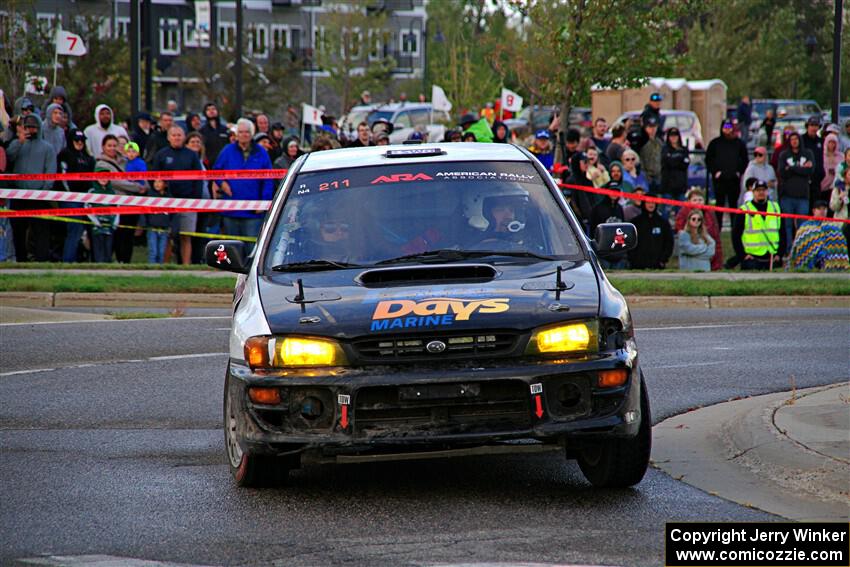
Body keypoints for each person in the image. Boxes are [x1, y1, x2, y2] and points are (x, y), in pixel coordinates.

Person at [212, 118, 274, 240]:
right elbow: (216, 171)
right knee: (232, 247)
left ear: (252, 134)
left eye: (246, 132)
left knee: (251, 246)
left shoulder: (261, 152)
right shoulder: (227, 150)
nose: (243, 135)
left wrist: (263, 202)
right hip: (231, 208)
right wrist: (222, 183)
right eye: (240, 132)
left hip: (253, 211)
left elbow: (268, 179)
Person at [6, 114, 57, 261]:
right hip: (19, 195)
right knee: (18, 230)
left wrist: (43, 192)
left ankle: (41, 261)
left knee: (41, 231)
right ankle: (21, 260)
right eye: (27, 127)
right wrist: (18, 142)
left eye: (33, 127)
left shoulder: (48, 148)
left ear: (39, 128)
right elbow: (8, 159)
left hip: (38, 197)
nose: (30, 130)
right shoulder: (18, 144)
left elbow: (50, 172)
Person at [151, 126, 203, 265]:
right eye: (173, 135)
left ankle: (186, 266)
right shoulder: (161, 154)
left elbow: (199, 179)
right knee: (168, 236)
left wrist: (195, 200)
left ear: (184, 136)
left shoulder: (192, 155)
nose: (177, 137)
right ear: (168, 137)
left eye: (179, 135)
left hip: (188, 202)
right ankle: (165, 265)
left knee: (186, 236)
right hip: (167, 203)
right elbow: (154, 178)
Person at [96, 135, 147, 263]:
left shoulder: (126, 161)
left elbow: (141, 177)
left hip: (132, 204)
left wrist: (143, 185)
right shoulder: (101, 163)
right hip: (115, 205)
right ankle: (115, 261)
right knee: (118, 235)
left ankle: (126, 262)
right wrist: (137, 187)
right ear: (103, 147)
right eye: (109, 145)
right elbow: (116, 182)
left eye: (115, 145)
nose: (112, 148)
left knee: (129, 235)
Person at [56, 129, 95, 262]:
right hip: (70, 198)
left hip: (86, 198)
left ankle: (82, 259)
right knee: (75, 228)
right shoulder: (65, 154)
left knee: (85, 230)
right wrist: (69, 195)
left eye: (82, 141)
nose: (79, 143)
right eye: (76, 140)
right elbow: (62, 177)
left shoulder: (88, 158)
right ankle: (68, 261)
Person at [706, 119, 748, 228]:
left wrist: (739, 172)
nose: (727, 129)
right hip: (719, 181)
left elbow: (744, 159)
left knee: (733, 206)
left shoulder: (739, 143)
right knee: (719, 205)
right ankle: (717, 228)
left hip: (734, 180)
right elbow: (709, 159)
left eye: (729, 127)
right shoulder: (715, 143)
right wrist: (715, 172)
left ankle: (734, 229)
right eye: (725, 127)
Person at [733, 180, 783, 270]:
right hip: (752, 258)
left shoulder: (776, 208)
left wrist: (780, 254)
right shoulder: (744, 210)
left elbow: (782, 232)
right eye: (758, 190)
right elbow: (735, 235)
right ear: (753, 192)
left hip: (772, 257)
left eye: (763, 190)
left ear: (767, 191)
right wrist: (743, 255)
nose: (761, 192)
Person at [777, 131, 815, 247]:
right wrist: (800, 168)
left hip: (803, 196)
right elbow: (782, 172)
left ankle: (801, 249)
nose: (794, 141)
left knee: (802, 225)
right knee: (787, 225)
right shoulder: (784, 155)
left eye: (796, 138)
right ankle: (789, 249)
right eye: (792, 139)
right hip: (787, 196)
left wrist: (792, 168)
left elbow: (810, 171)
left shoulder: (808, 153)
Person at [788, 201, 849, 271]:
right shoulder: (806, 226)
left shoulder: (832, 225)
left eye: (824, 209)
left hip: (828, 255)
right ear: (814, 211)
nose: (822, 211)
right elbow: (800, 240)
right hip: (810, 254)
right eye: (820, 209)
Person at [675, 188, 722, 271]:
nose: (698, 202)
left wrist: (716, 261)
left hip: (707, 264)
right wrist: (704, 248)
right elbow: (687, 247)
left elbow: (715, 242)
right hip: (689, 264)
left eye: (700, 199)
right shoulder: (683, 215)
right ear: (689, 201)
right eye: (695, 200)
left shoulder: (710, 214)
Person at [628, 195, 673, 269]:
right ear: (644, 203)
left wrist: (663, 260)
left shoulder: (663, 222)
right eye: (648, 202)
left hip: (658, 266)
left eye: (653, 202)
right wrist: (633, 259)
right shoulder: (635, 222)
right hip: (638, 266)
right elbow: (629, 243)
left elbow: (669, 242)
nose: (651, 205)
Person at [85, 168, 119, 263]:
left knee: (108, 245)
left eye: (106, 177)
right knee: (97, 245)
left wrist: (116, 221)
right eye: (101, 177)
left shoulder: (112, 192)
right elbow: (87, 207)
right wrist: (95, 221)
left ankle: (107, 264)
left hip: (109, 224)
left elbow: (117, 208)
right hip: (96, 225)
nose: (104, 179)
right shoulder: (92, 191)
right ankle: (98, 264)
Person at [590, 189, 628, 269]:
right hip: (603, 253)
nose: (614, 193)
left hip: (618, 253)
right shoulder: (598, 208)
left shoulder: (620, 208)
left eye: (616, 191)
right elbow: (593, 230)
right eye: (612, 190)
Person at [661, 127, 689, 206]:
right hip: (668, 186)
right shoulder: (665, 150)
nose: (673, 138)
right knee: (666, 210)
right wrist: (679, 159)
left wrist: (673, 159)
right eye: (671, 136)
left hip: (680, 186)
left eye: (676, 135)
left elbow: (685, 164)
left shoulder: (684, 150)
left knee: (680, 210)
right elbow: (668, 163)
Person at [801, 115, 825, 209]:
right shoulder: (801, 140)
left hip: (817, 179)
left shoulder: (821, 141)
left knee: (816, 205)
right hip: (805, 178)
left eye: (816, 125)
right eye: (811, 125)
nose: (814, 128)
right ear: (807, 126)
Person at [146, 179, 171, 264]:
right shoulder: (150, 197)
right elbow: (144, 212)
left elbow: (173, 215)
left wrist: (172, 226)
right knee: (153, 252)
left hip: (164, 229)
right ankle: (152, 271)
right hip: (152, 228)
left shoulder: (169, 198)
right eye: (155, 181)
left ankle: (159, 271)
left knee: (161, 252)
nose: (157, 184)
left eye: (160, 182)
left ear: (165, 184)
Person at [638, 117, 663, 194]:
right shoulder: (642, 141)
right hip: (647, 176)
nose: (652, 129)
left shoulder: (659, 142)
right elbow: (640, 160)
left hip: (659, 176)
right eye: (650, 127)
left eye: (654, 127)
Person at [821, 133, 842, 206]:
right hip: (823, 184)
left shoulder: (840, 156)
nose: (832, 145)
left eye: (834, 142)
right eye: (830, 142)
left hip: (836, 185)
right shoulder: (821, 154)